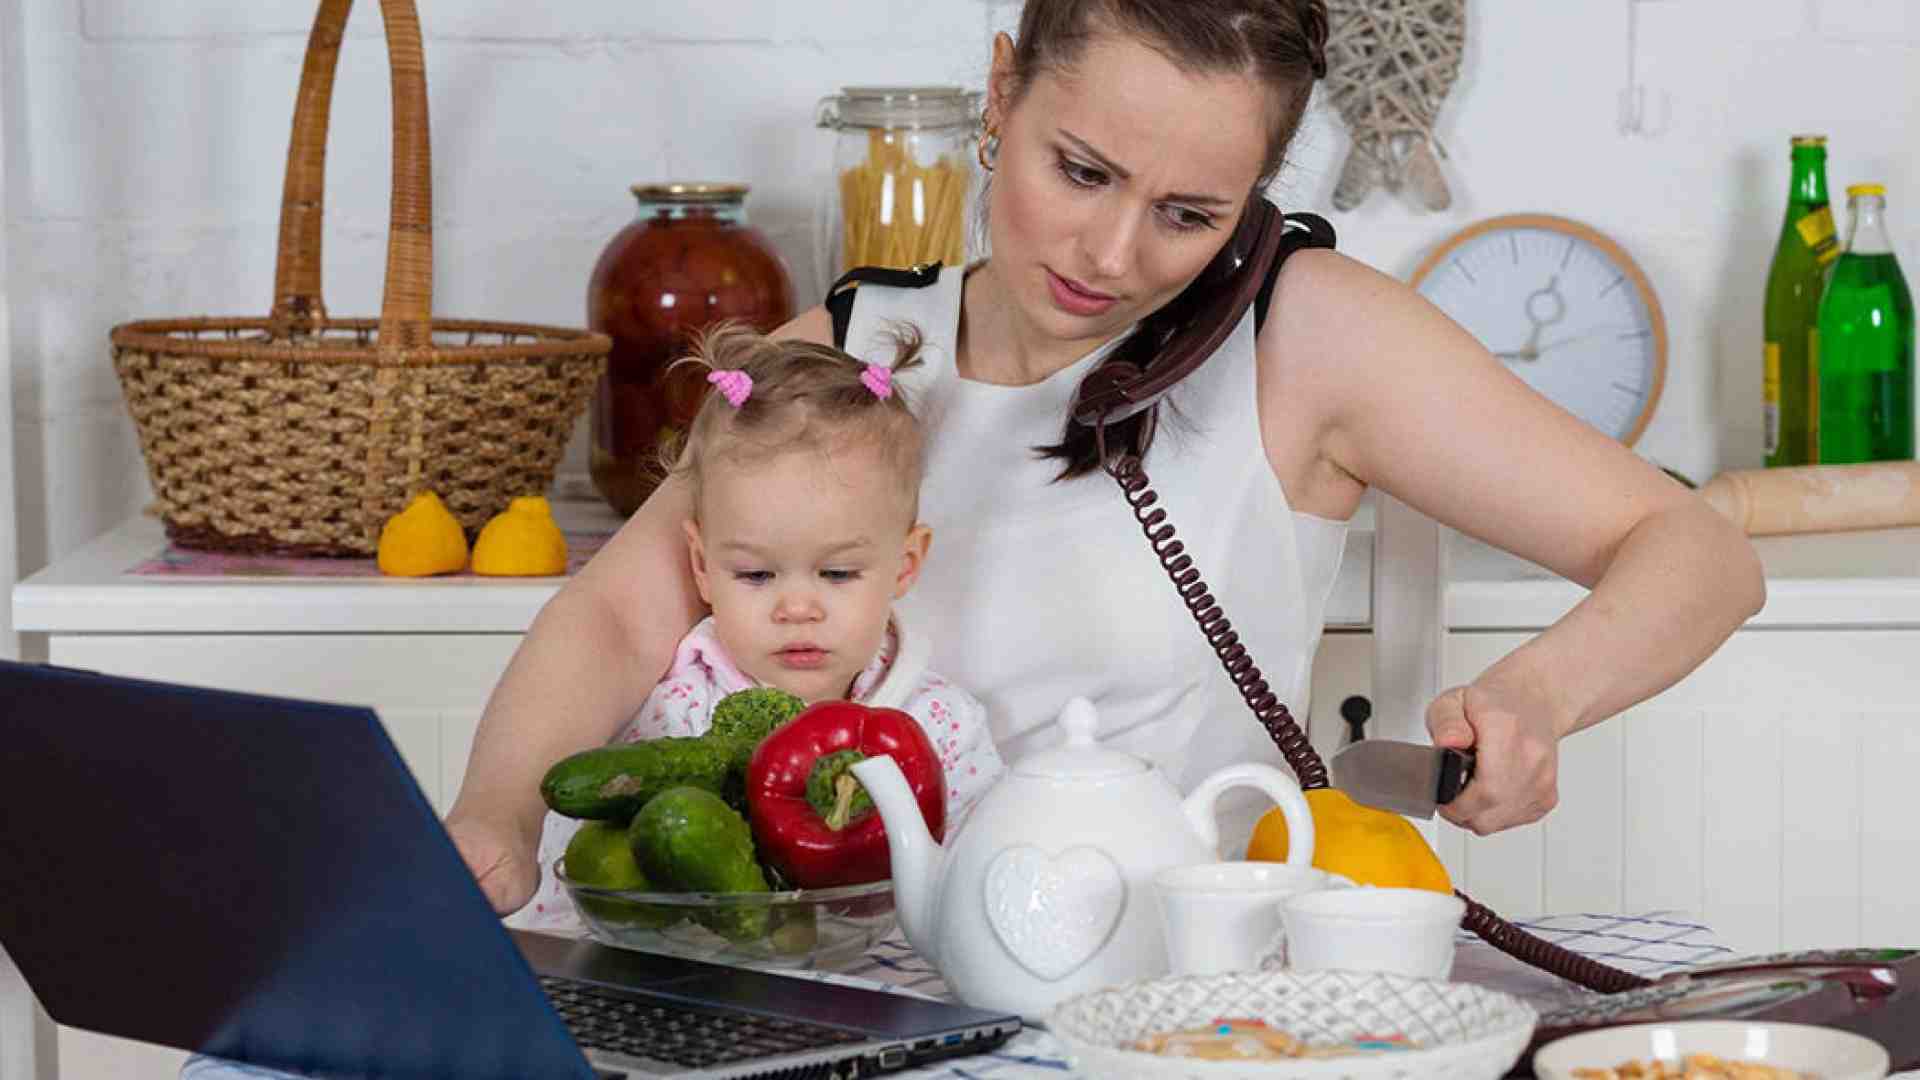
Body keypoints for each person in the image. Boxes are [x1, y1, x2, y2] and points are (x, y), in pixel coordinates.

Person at [447, 0, 1764, 919]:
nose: (1112, 256)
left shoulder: (1305, 335)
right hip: (866, 983)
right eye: (1080, 170)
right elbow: (622, 609)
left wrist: (1540, 693)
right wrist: (497, 816)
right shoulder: (857, 347)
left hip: (1166, 1004)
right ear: (1004, 92)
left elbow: (1696, 552)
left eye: (1190, 214)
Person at [514, 326, 1005, 931]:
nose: (796, 607)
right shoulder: (669, 715)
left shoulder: (945, 726)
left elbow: (985, 887)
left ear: (905, 565)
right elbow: (578, 893)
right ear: (701, 565)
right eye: (755, 574)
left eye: (838, 572)